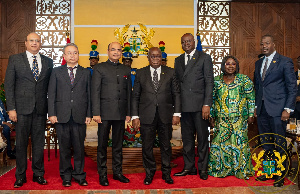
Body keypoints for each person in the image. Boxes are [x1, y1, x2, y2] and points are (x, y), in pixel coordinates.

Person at [4, 32, 53, 187]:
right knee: (21, 144)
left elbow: (51, 89)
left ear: (40, 43)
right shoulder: (15, 59)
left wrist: (51, 110)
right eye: (31, 40)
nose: (34, 43)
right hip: (21, 110)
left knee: (39, 144)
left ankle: (38, 174)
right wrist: (11, 108)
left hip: (40, 110)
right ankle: (20, 176)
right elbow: (9, 85)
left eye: (37, 41)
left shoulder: (48, 62)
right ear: (25, 43)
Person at [131, 47, 181, 185]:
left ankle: (166, 174)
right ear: (148, 58)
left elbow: (176, 94)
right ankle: (149, 173)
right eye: (152, 56)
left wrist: (177, 113)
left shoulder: (171, 72)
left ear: (162, 58)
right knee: (147, 146)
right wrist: (135, 116)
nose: (155, 59)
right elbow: (135, 96)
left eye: (158, 56)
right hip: (146, 115)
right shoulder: (140, 73)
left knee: (166, 146)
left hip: (166, 115)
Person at [254, 35, 297, 187]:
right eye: (262, 44)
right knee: (266, 143)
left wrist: (288, 108)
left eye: (267, 43)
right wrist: (256, 106)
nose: (264, 46)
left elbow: (292, 88)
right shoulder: (259, 63)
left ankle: (280, 175)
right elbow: (258, 87)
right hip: (262, 110)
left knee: (279, 144)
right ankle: (269, 172)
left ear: (273, 44)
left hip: (279, 110)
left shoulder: (284, 61)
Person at [48, 43, 92, 187]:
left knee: (79, 148)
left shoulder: (85, 72)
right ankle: (66, 176)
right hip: (61, 116)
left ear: (78, 55)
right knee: (65, 148)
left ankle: (79, 175)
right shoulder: (56, 72)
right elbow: (51, 94)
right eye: (69, 53)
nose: (72, 55)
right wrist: (52, 113)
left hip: (80, 116)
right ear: (64, 56)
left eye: (75, 53)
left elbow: (89, 95)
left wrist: (88, 113)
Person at [173, 33, 214, 180]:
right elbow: (176, 86)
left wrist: (207, 104)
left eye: (189, 41)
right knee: (187, 140)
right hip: (184, 107)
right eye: (184, 42)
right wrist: (176, 109)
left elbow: (209, 82)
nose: (187, 44)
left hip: (200, 107)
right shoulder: (177, 60)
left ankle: (203, 168)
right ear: (181, 44)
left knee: (203, 139)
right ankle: (189, 167)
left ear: (194, 42)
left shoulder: (204, 57)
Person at [91, 42, 131, 186]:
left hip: (120, 113)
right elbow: (94, 92)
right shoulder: (100, 68)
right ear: (108, 51)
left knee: (118, 145)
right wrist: (96, 112)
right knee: (102, 145)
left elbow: (128, 93)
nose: (116, 52)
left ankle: (117, 172)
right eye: (113, 49)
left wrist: (129, 113)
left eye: (118, 50)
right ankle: (102, 174)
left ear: (121, 53)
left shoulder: (126, 69)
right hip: (104, 114)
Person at [208, 55, 255, 179]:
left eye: (233, 64)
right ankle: (221, 169)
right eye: (228, 64)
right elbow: (212, 99)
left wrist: (251, 114)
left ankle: (241, 170)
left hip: (239, 119)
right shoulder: (216, 80)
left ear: (236, 66)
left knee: (239, 143)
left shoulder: (244, 80)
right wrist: (211, 115)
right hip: (221, 120)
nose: (230, 66)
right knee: (220, 143)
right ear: (223, 66)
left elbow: (251, 98)